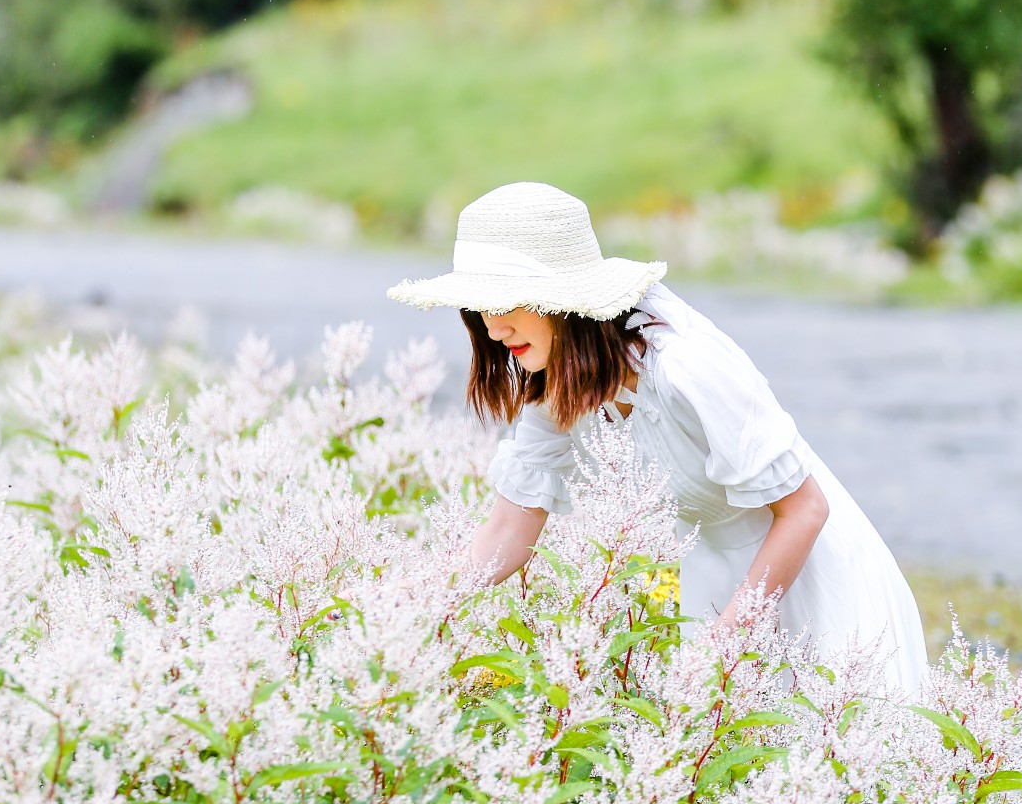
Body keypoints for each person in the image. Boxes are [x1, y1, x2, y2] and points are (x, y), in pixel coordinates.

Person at [388, 182, 926, 694]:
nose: (492, 328)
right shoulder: (560, 386)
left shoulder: (685, 367)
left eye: (503, 303)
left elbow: (806, 511)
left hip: (811, 580)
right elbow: (510, 527)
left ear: (559, 299)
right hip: (716, 590)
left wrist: (726, 646)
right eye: (479, 308)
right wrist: (404, 601)